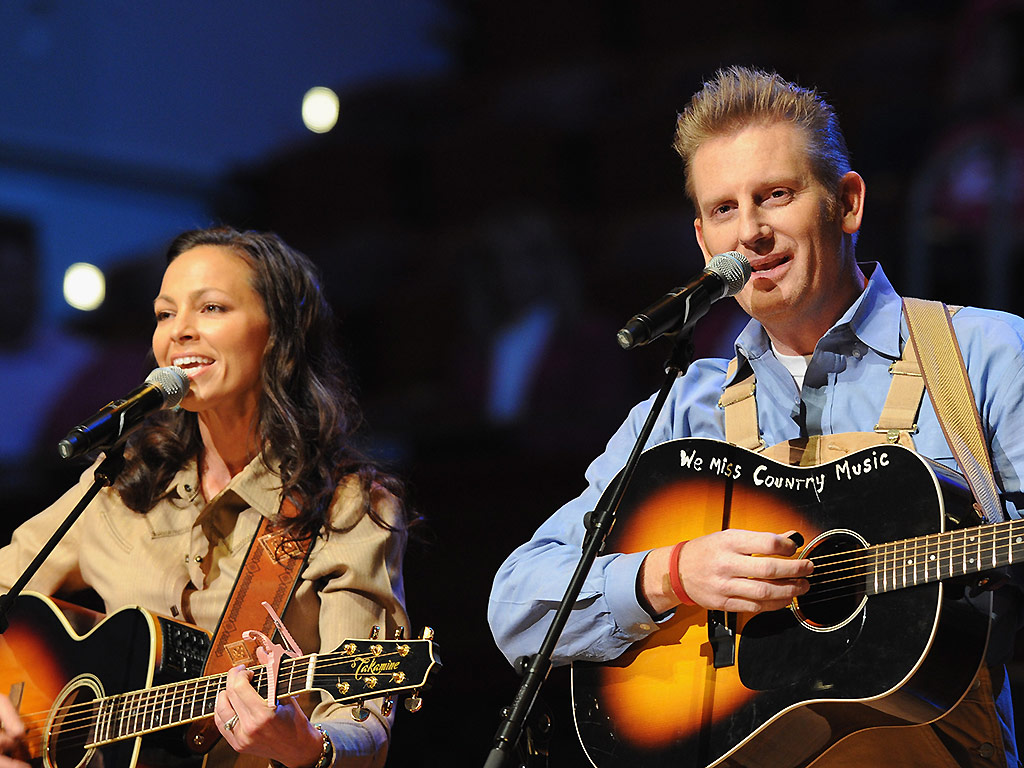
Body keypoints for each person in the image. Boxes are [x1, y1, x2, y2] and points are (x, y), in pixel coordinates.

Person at [488, 66, 1024, 766]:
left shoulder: (984, 354)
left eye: (775, 195)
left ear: (848, 202)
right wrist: (670, 576)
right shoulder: (684, 406)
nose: (752, 232)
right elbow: (517, 605)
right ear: (705, 244)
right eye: (724, 210)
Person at [0, 227, 412, 768]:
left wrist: (309, 745)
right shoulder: (122, 485)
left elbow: (364, 717)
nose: (180, 332)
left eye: (212, 308)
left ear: (279, 336)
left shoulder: (347, 507)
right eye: (165, 314)